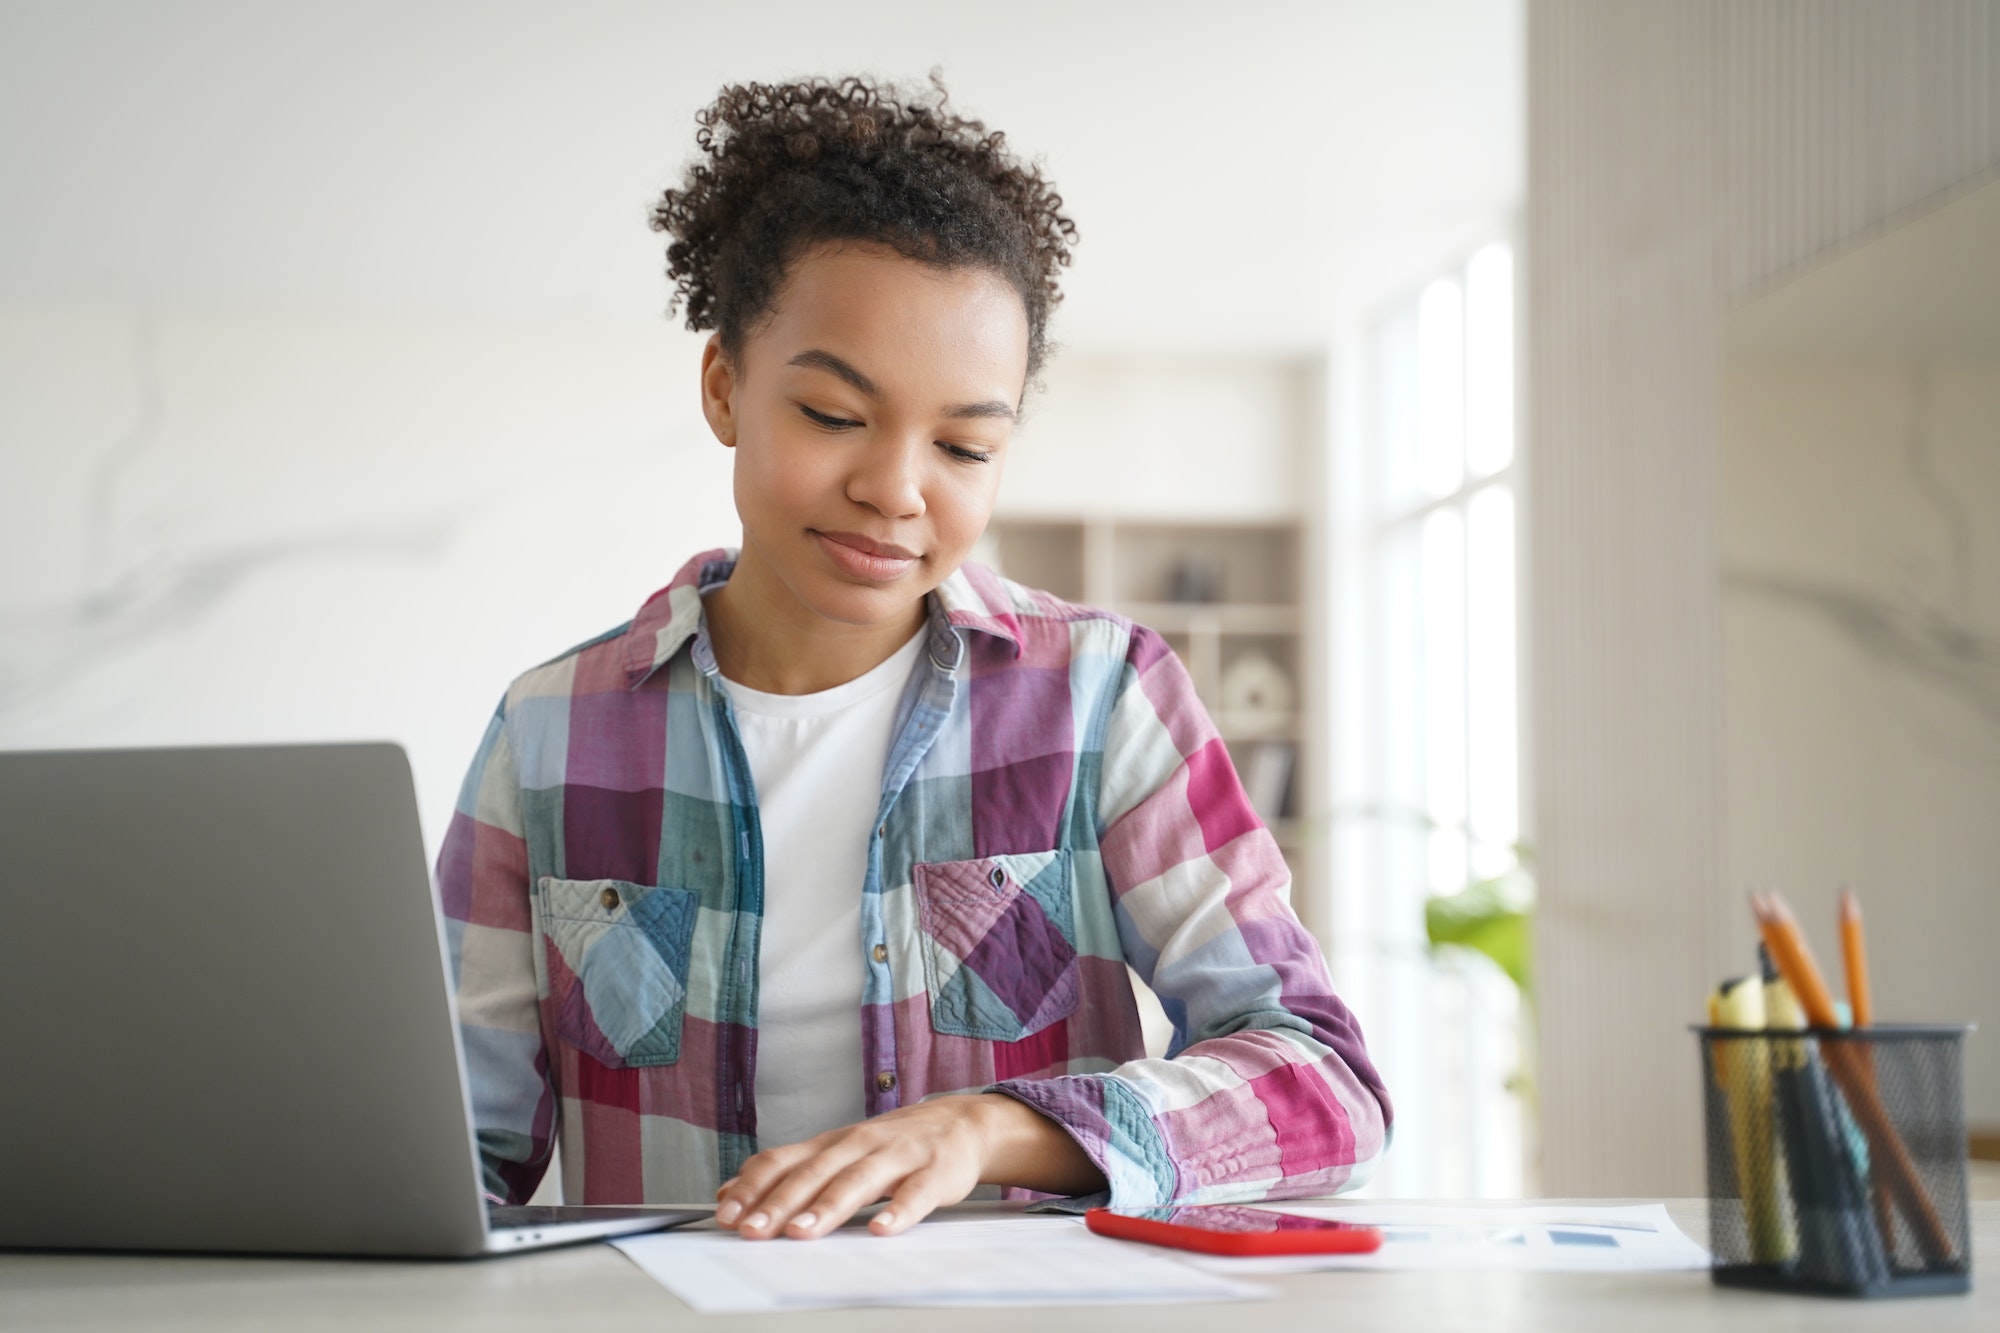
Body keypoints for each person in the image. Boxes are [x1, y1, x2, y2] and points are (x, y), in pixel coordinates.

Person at [438, 74, 1390, 1243]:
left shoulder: (1099, 697)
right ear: (724, 387)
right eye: (835, 417)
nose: (893, 489)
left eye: (961, 443)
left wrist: (988, 1126)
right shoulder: (552, 731)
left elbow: (1323, 1087)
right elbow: (452, 1150)